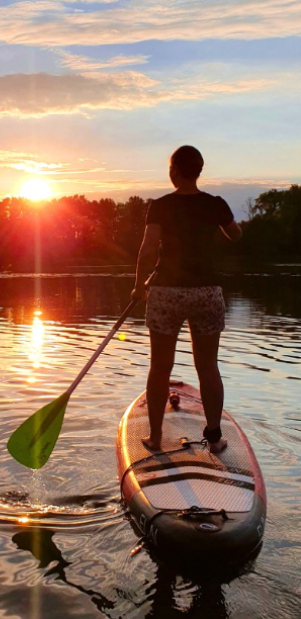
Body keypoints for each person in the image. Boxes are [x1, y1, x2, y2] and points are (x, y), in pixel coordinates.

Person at [131, 145, 242, 454]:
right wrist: (222, 222)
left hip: (167, 292)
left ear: (175, 171)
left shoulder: (160, 205)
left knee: (160, 367)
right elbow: (236, 235)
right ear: (199, 170)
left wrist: (138, 286)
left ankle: (155, 437)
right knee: (208, 366)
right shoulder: (215, 204)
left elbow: (148, 248)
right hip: (206, 292)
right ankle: (215, 437)